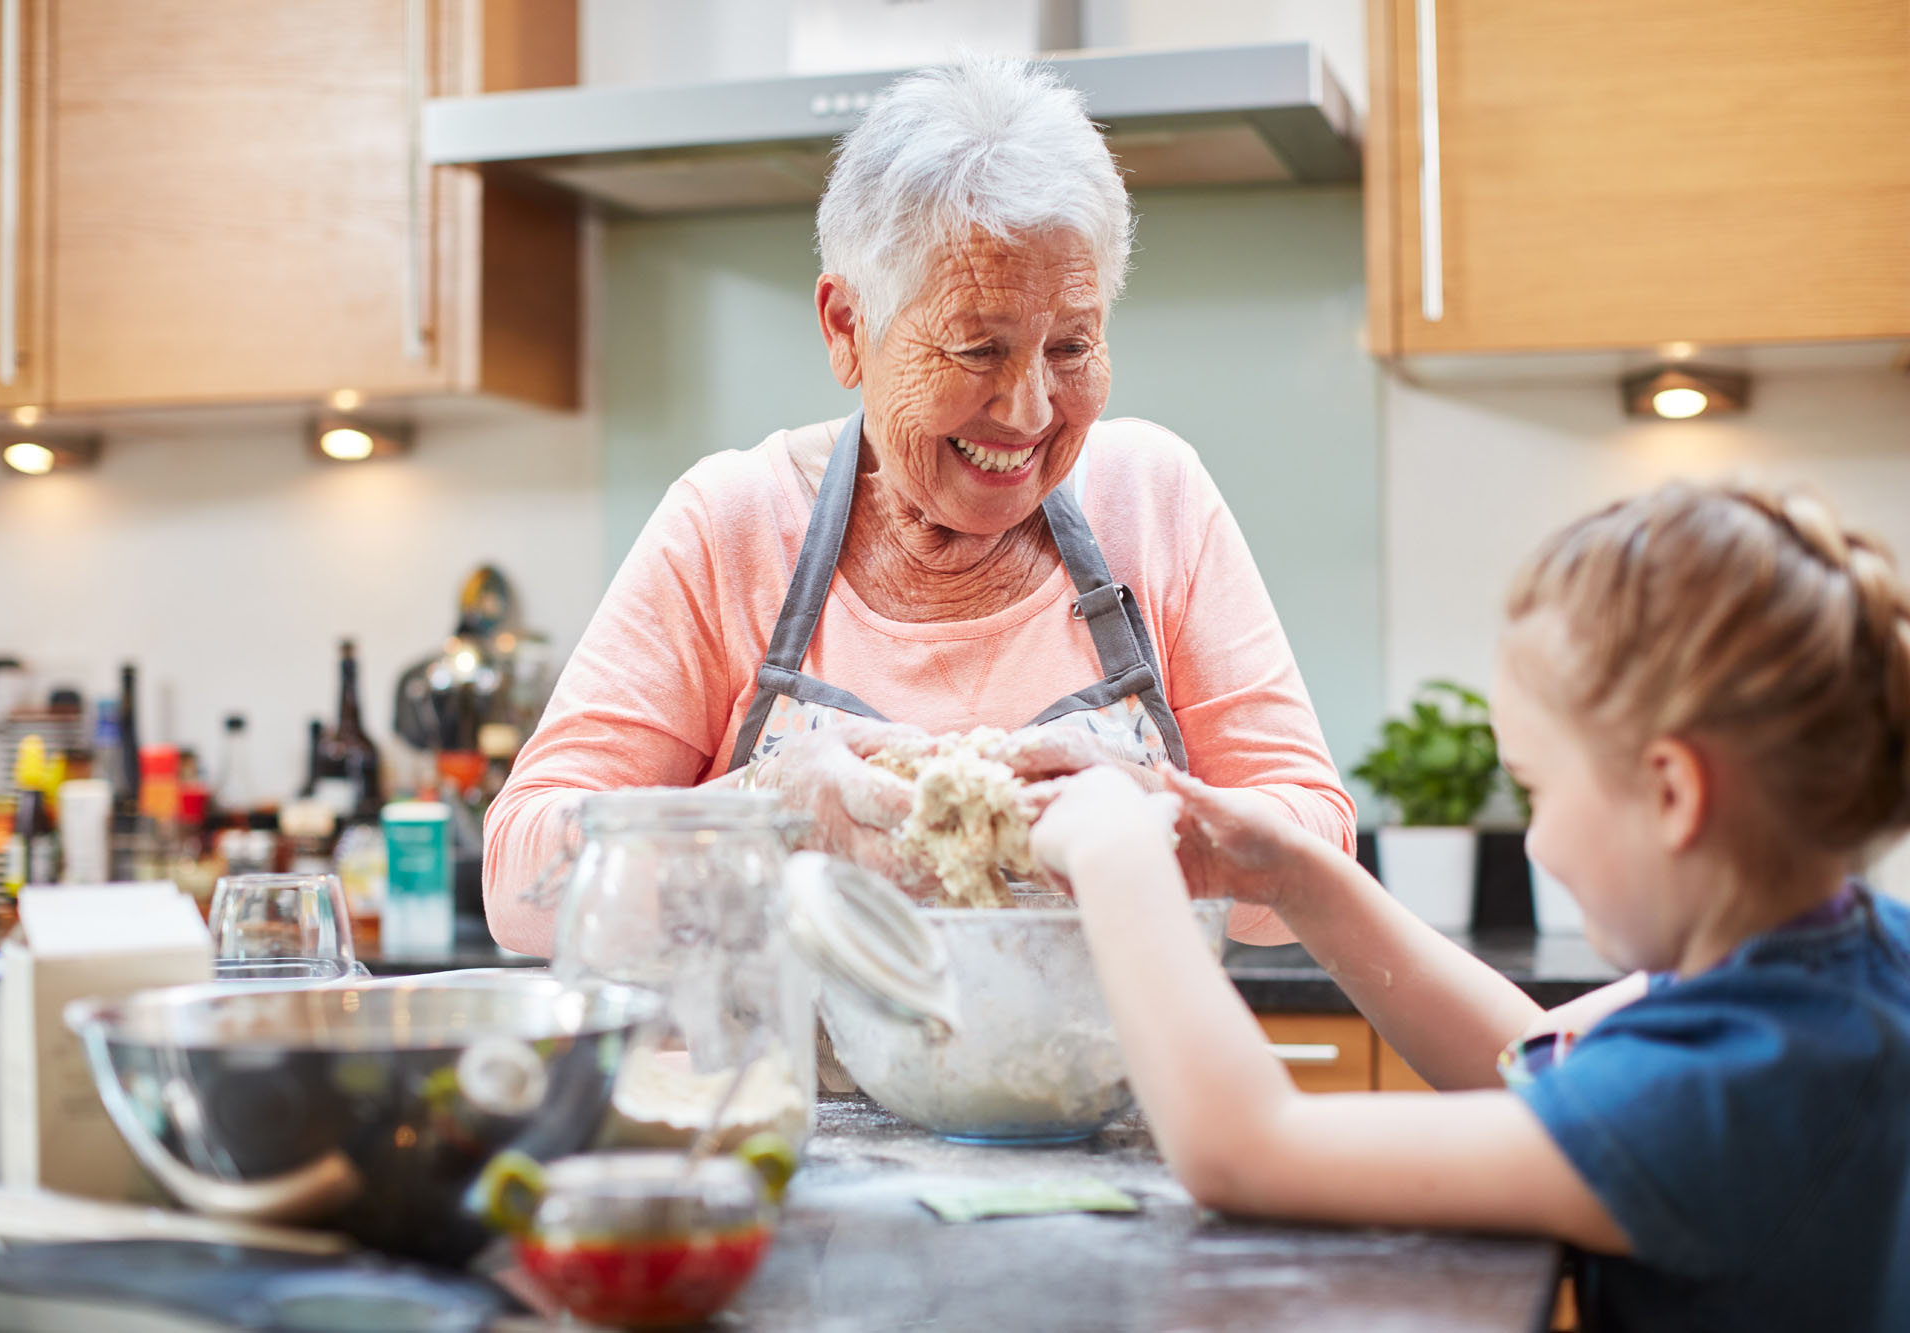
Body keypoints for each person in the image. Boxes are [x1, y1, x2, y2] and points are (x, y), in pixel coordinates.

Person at [483, 55, 1354, 955]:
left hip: (1108, 1098)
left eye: (1071, 345)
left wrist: (1155, 817)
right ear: (847, 329)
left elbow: (1317, 839)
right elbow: (520, 886)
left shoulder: (1154, 496)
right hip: (782, 1093)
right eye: (979, 349)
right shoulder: (728, 523)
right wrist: (765, 815)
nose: (1030, 411)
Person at [1030, 480, 1910, 1332]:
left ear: (1673, 793)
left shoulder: (1723, 1091)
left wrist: (1116, 855)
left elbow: (1247, 1148)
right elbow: (1526, 1058)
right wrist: (1302, 878)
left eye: (1535, 790)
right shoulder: (1842, 971)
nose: (1537, 842)